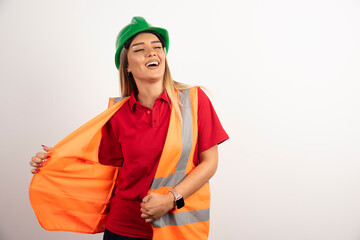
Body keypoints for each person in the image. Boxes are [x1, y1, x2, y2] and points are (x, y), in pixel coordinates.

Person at [29, 16, 229, 240]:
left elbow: (209, 162)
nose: (152, 53)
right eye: (140, 49)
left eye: (157, 47)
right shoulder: (116, 114)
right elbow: (100, 168)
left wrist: (171, 198)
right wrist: (51, 162)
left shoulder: (194, 101)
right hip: (122, 229)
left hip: (177, 229)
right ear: (126, 66)